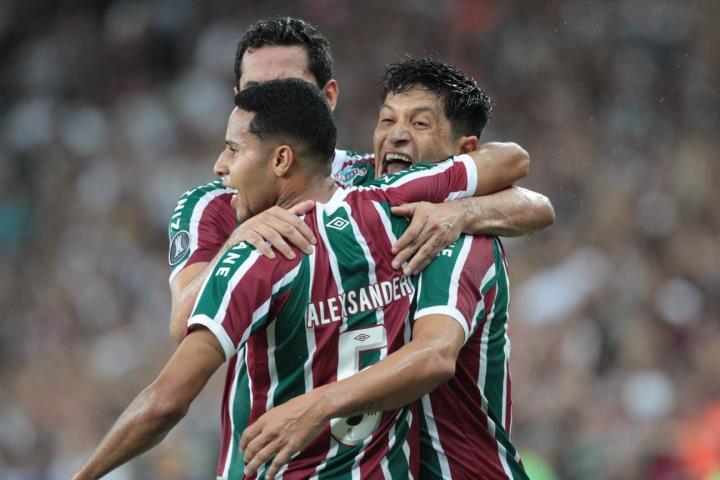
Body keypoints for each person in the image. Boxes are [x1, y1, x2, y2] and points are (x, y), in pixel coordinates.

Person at [72, 79, 524, 480]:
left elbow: (167, 400)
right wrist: (466, 209)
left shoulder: (261, 253)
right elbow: (510, 162)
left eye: (234, 148)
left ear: (281, 159)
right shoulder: (391, 209)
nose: (220, 166)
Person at [168, 17, 555, 342]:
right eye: (255, 92)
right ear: (236, 100)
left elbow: (531, 199)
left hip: (379, 422)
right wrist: (237, 240)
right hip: (271, 422)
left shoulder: (375, 176)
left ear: (328, 97)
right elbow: (182, 320)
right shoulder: (213, 205)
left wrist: (460, 213)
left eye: (290, 88)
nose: (271, 105)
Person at [239, 58, 530, 480]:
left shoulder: (459, 238)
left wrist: (317, 404)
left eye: (420, 124)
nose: (397, 134)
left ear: (465, 153)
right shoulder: (361, 205)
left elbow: (435, 355)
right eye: (387, 120)